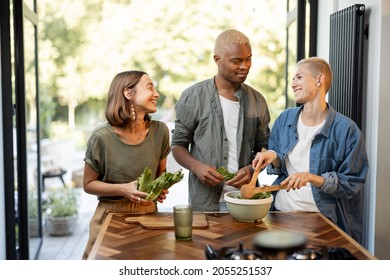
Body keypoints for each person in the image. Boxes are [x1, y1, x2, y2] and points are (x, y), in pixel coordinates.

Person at [252, 57, 369, 243]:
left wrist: (311, 177)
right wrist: (272, 156)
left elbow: (351, 183)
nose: (293, 84)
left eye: (298, 77)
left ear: (319, 80)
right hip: (281, 214)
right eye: (292, 79)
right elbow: (280, 165)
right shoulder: (285, 119)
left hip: (323, 222)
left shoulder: (347, 130)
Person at [171, 29, 271, 212]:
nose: (245, 66)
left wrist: (251, 169)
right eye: (236, 61)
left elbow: (263, 149)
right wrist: (196, 167)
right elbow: (178, 145)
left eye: (248, 59)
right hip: (204, 203)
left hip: (245, 200)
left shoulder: (258, 101)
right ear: (217, 60)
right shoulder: (193, 97)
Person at [81, 70, 171, 259]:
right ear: (128, 94)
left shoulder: (161, 131)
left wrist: (160, 188)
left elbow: (161, 174)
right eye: (150, 88)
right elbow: (88, 185)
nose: (156, 94)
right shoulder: (102, 137)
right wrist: (123, 189)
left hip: (148, 216)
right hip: (109, 218)